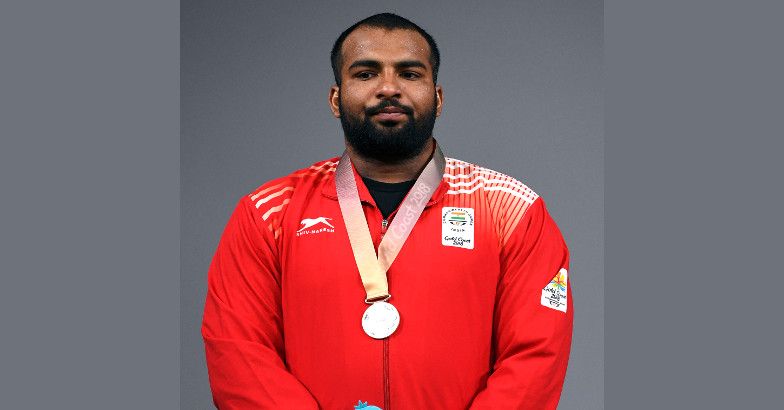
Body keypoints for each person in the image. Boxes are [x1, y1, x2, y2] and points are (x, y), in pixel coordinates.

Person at [201, 13, 572, 410]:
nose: (389, 88)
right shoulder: (269, 211)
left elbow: (535, 358)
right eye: (366, 74)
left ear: (438, 97)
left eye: (410, 74)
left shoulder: (511, 210)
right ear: (335, 98)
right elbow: (238, 355)